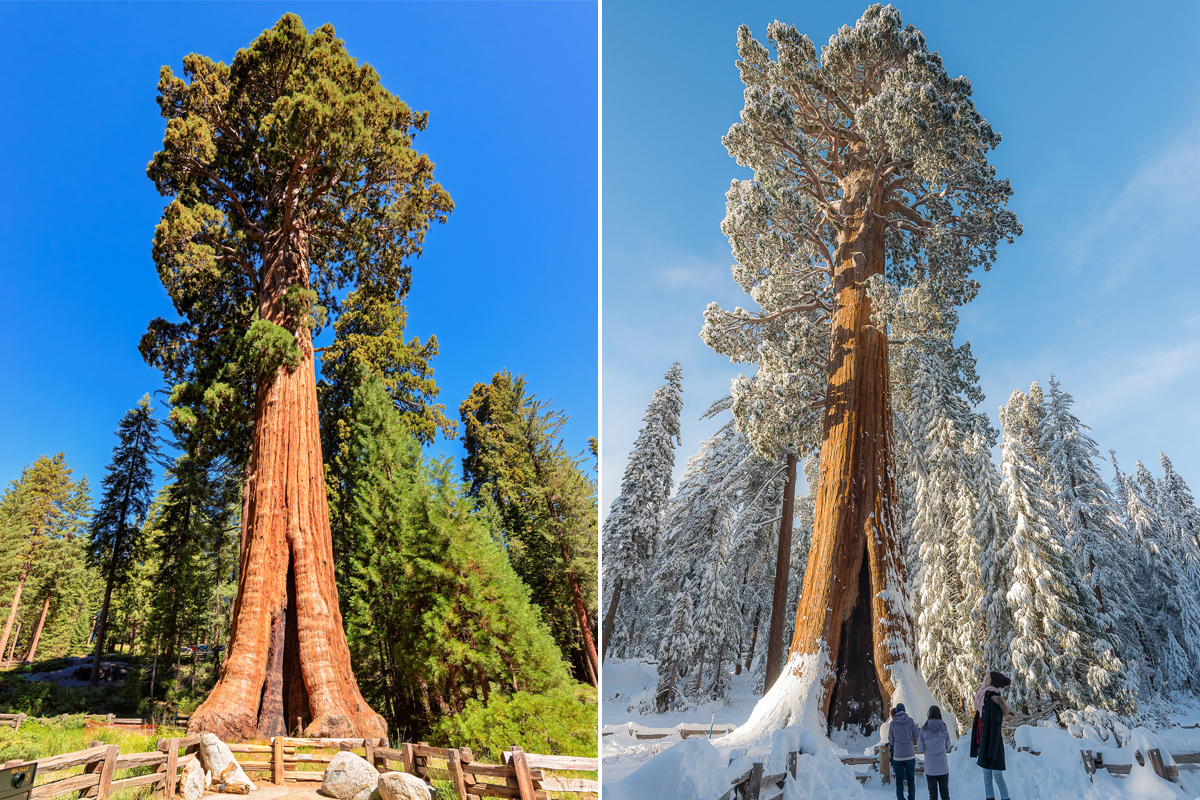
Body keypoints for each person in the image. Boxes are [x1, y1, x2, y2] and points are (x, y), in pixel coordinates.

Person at [970, 671, 1011, 800]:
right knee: (987, 777)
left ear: (993, 682)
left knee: (997, 777)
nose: (986, 679)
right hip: (985, 745)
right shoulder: (984, 700)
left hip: (993, 748)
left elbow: (995, 730)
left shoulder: (994, 702)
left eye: (988, 678)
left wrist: (991, 753)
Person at [918, 705, 951, 800]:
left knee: (933, 796)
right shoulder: (943, 727)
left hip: (930, 767)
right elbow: (947, 746)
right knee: (945, 795)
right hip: (942, 766)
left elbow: (920, 748)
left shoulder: (924, 729)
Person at [888, 703, 920, 800]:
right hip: (910, 755)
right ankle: (911, 798)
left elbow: (890, 740)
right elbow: (917, 735)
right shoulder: (910, 721)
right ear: (904, 710)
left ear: (897, 711)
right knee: (910, 779)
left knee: (899, 781)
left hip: (898, 756)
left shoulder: (893, 723)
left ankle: (901, 798)